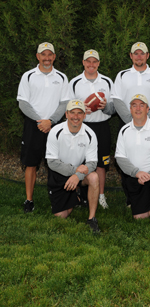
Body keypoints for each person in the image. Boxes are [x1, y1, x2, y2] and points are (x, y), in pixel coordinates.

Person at [17, 42, 69, 213]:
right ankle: (29, 200)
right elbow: (23, 103)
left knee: (56, 163)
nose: (47, 58)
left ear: (54, 57)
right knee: (31, 164)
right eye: (43, 55)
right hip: (34, 125)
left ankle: (58, 197)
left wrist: (51, 121)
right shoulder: (28, 76)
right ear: (38, 56)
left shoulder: (61, 77)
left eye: (50, 55)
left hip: (55, 125)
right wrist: (41, 121)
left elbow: (64, 103)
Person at [115, 94, 150, 231]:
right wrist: (137, 173)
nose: (138, 108)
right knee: (140, 217)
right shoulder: (124, 130)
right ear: (130, 109)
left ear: (148, 109)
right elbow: (120, 158)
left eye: (142, 105)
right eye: (134, 105)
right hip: (135, 177)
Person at [69, 49, 115, 209]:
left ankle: (101, 196)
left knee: (101, 164)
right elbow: (68, 107)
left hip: (102, 126)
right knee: (79, 161)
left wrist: (105, 107)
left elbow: (113, 106)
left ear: (99, 63)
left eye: (94, 61)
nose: (91, 64)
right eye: (88, 61)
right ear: (83, 62)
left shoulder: (107, 81)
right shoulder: (75, 82)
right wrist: (80, 110)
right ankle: (77, 196)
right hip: (81, 127)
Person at [45, 99, 100, 232]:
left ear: (84, 115)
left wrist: (77, 176)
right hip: (60, 172)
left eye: (79, 113)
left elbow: (92, 163)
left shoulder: (90, 134)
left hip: (80, 174)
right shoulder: (55, 131)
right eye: (72, 113)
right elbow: (51, 162)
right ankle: (76, 197)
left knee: (94, 178)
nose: (76, 117)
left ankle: (91, 219)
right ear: (66, 114)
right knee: (60, 215)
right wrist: (75, 170)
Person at [111, 42, 150, 124]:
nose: (139, 57)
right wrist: (130, 120)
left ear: (147, 55)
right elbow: (117, 99)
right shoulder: (122, 75)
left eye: (142, 53)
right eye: (136, 53)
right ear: (131, 55)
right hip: (126, 122)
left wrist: (144, 119)